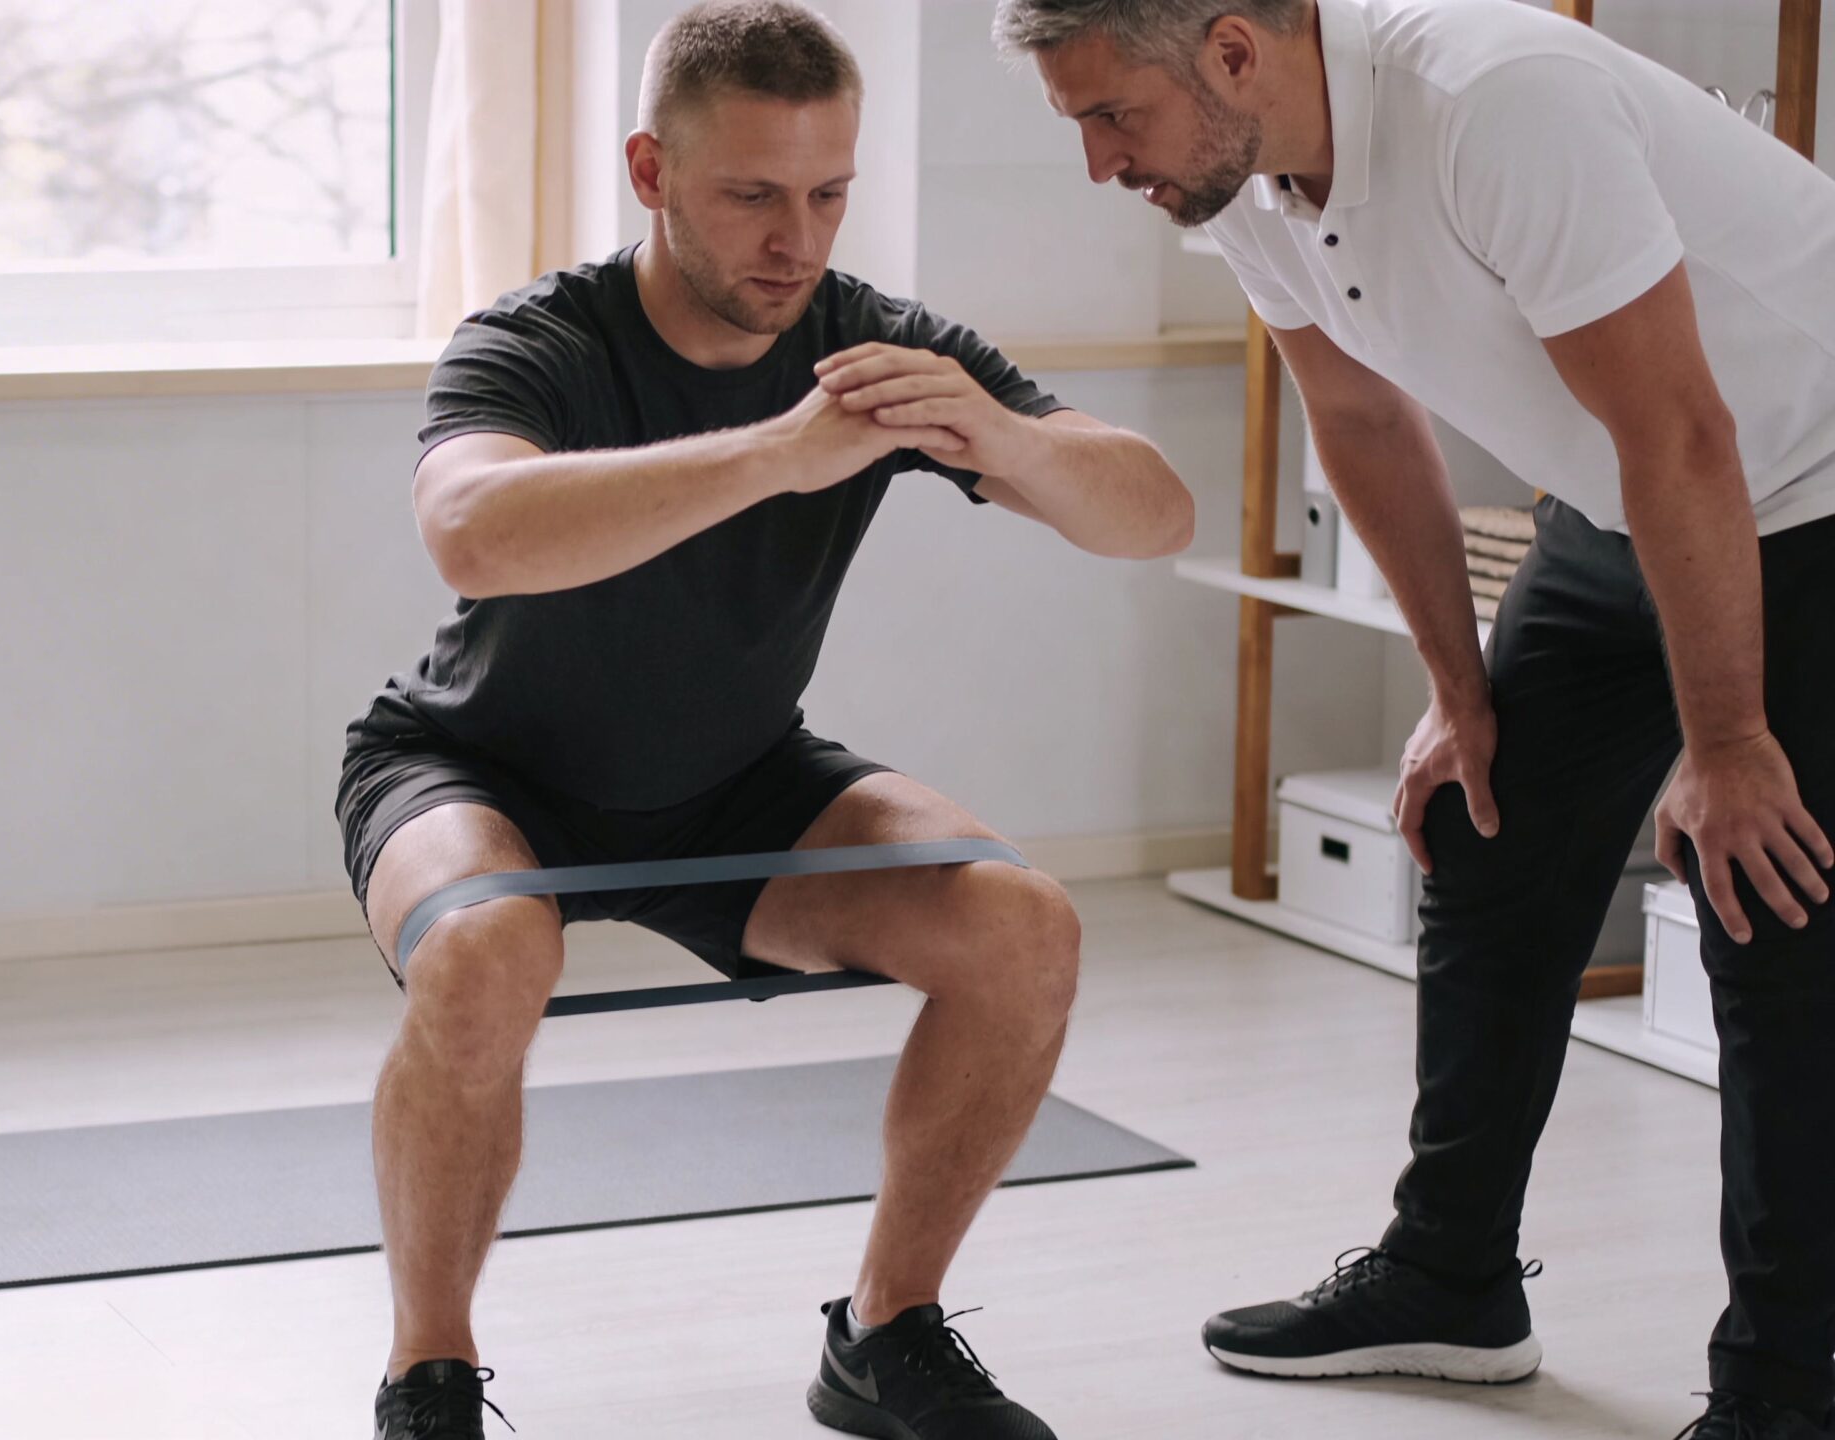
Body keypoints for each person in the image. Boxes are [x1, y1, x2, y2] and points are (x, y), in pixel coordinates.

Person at [334, 3, 1195, 1436]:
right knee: (486, 955)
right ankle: (429, 1374)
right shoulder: (537, 335)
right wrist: (778, 456)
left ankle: (886, 1334)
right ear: (652, 172)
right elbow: (472, 529)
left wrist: (1003, 436)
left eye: (827, 195)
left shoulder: (875, 341)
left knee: (1023, 931)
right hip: (473, 769)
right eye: (751, 196)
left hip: (733, 783)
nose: (797, 241)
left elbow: (1155, 515)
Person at [997, 1, 1835, 1435]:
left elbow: (1685, 432)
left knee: (1767, 909)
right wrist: (1459, 695)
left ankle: (1786, 1391)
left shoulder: (1497, 102)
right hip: (1628, 497)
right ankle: (1452, 1278)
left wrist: (1730, 744)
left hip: (1807, 486)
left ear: (1235, 51)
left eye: (1113, 116)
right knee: (1484, 828)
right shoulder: (1242, 175)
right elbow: (1363, 419)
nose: (1100, 162)